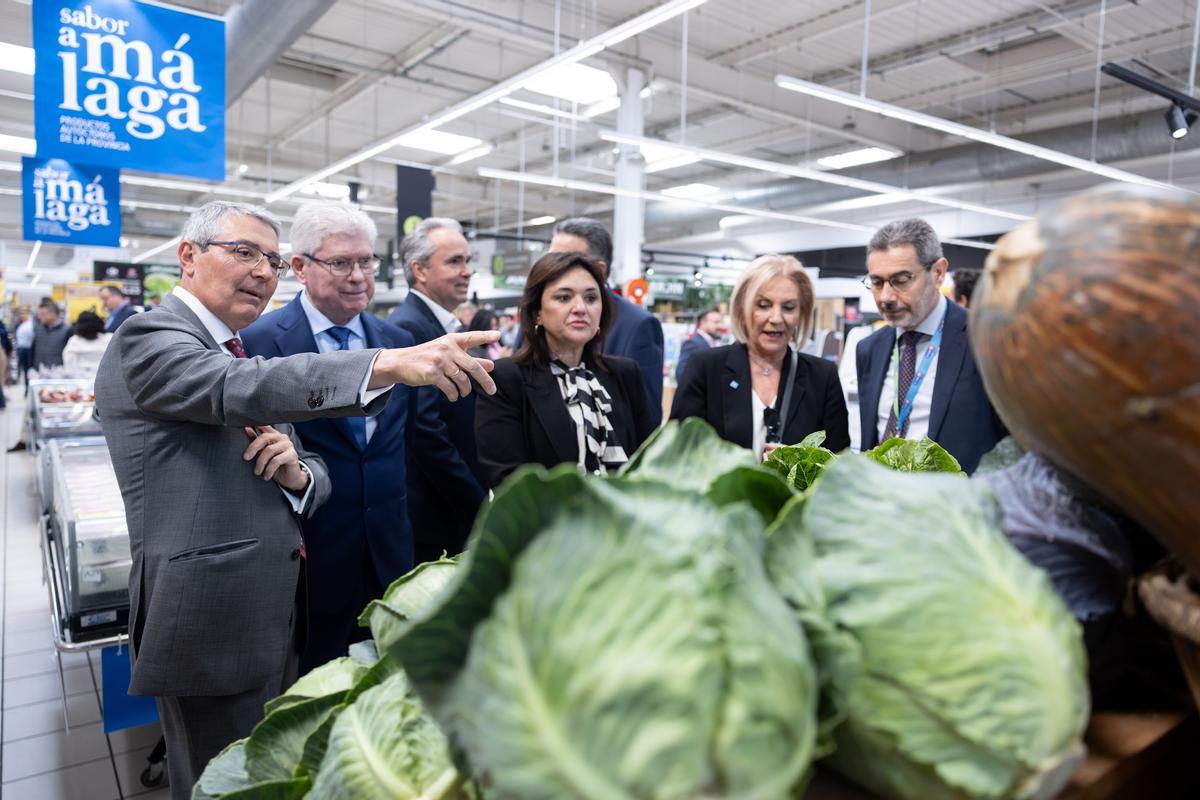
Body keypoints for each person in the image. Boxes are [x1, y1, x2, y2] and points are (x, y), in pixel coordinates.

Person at [94, 200, 498, 799]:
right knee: (219, 781)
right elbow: (241, 390)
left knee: (275, 773)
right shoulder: (151, 337)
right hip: (209, 617)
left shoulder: (232, 350)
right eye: (243, 252)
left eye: (271, 259)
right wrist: (386, 363)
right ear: (187, 256)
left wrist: (298, 476)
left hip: (276, 609)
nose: (262, 270)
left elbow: (309, 465)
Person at [242, 201, 472, 674]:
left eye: (366, 261)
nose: (358, 276)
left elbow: (402, 446)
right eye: (341, 262)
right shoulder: (259, 342)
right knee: (313, 690)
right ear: (301, 268)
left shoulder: (394, 340)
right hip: (310, 559)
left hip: (390, 552)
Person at [476, 251, 655, 488]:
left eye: (591, 298)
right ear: (537, 311)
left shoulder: (625, 373)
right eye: (563, 298)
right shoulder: (506, 378)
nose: (580, 308)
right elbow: (508, 482)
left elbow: (650, 462)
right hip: (548, 522)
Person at [856, 218, 1005, 473]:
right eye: (877, 282)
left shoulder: (986, 338)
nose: (885, 297)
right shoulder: (869, 349)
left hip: (957, 505)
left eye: (901, 280)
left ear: (938, 273)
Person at [671, 255, 850, 459]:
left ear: (802, 313)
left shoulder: (822, 376)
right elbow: (678, 454)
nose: (776, 318)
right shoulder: (705, 367)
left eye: (789, 307)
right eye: (764, 305)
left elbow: (840, 462)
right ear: (742, 309)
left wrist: (800, 462)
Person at [387, 217, 487, 563]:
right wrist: (477, 501)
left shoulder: (442, 325)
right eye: (454, 261)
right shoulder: (410, 328)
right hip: (437, 509)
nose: (467, 271)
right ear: (421, 270)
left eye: (468, 261)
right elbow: (426, 430)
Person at [548, 218, 665, 426]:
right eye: (551, 258)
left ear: (599, 270)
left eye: (565, 260)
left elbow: (646, 418)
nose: (551, 267)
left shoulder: (637, 326)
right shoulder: (539, 312)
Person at [674, 307, 722, 384]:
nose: (720, 326)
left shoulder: (714, 343)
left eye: (720, 322)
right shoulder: (692, 343)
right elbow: (681, 374)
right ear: (703, 323)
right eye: (716, 322)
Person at [61, 310, 112, 375]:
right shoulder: (109, 338)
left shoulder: (74, 341)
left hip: (80, 380)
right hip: (105, 378)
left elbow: (69, 365)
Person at [30, 300, 72, 372]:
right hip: (39, 373)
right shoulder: (38, 329)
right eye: (38, 314)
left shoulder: (67, 330)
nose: (39, 317)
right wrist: (31, 367)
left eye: (42, 314)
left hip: (59, 373)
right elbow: (33, 350)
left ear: (53, 314)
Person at [15, 309, 33, 385]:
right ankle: (26, 386)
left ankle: (28, 385)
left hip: (28, 349)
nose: (22, 315)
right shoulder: (19, 324)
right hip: (21, 349)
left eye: (24, 314)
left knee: (28, 369)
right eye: (21, 314)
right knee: (25, 369)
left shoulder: (30, 324)